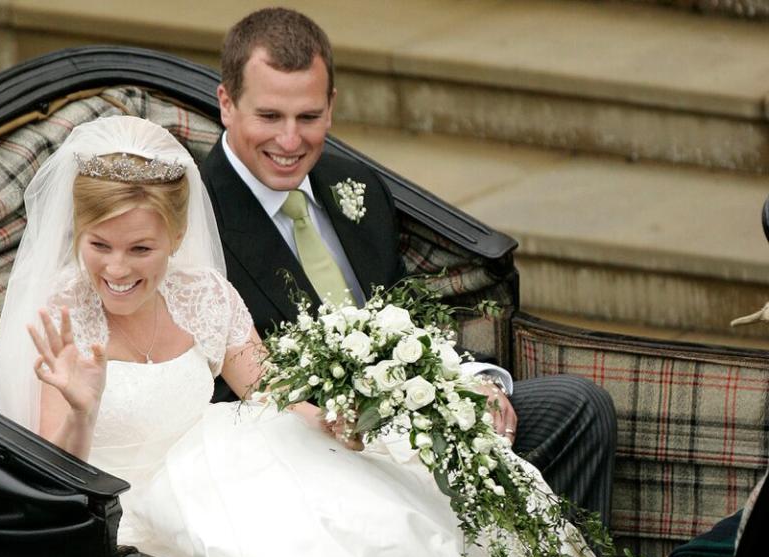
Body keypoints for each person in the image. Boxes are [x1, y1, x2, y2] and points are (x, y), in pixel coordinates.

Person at [0, 114, 615, 557]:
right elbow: (59, 485)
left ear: (176, 240)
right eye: (99, 245)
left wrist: (340, 417)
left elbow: (270, 391)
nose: (117, 269)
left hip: (230, 463)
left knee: (395, 513)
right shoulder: (63, 315)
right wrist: (80, 405)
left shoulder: (205, 294)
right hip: (142, 510)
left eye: (140, 248)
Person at [200, 7, 618, 525]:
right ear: (226, 103)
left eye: (308, 118)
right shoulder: (194, 212)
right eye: (270, 117)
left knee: (580, 407)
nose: (290, 142)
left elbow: (407, 320)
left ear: (331, 107)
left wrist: (474, 381)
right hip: (302, 453)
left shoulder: (357, 186)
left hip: (412, 412)